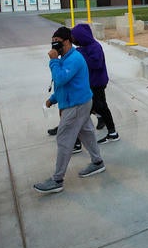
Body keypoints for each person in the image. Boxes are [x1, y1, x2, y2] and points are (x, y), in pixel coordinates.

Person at [34, 27, 105, 194]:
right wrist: (53, 99)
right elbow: (65, 85)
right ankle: (97, 162)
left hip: (76, 106)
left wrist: (53, 61)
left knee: (64, 139)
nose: (53, 45)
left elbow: (60, 78)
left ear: (67, 41)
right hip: (80, 102)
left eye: (57, 41)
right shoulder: (65, 58)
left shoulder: (73, 59)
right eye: (52, 41)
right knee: (87, 132)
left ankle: (57, 180)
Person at [72, 23, 119, 144]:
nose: (74, 40)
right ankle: (101, 122)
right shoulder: (84, 48)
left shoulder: (94, 47)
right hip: (90, 83)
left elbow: (96, 64)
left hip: (97, 83)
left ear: (81, 37)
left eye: (75, 37)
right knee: (93, 107)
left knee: (100, 107)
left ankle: (112, 133)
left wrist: (80, 55)